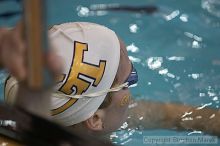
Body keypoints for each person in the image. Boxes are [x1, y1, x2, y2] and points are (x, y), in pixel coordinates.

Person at [1, 22, 220, 138]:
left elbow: (177, 116)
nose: (132, 91)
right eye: (130, 80)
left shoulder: (104, 117)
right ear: (95, 119)